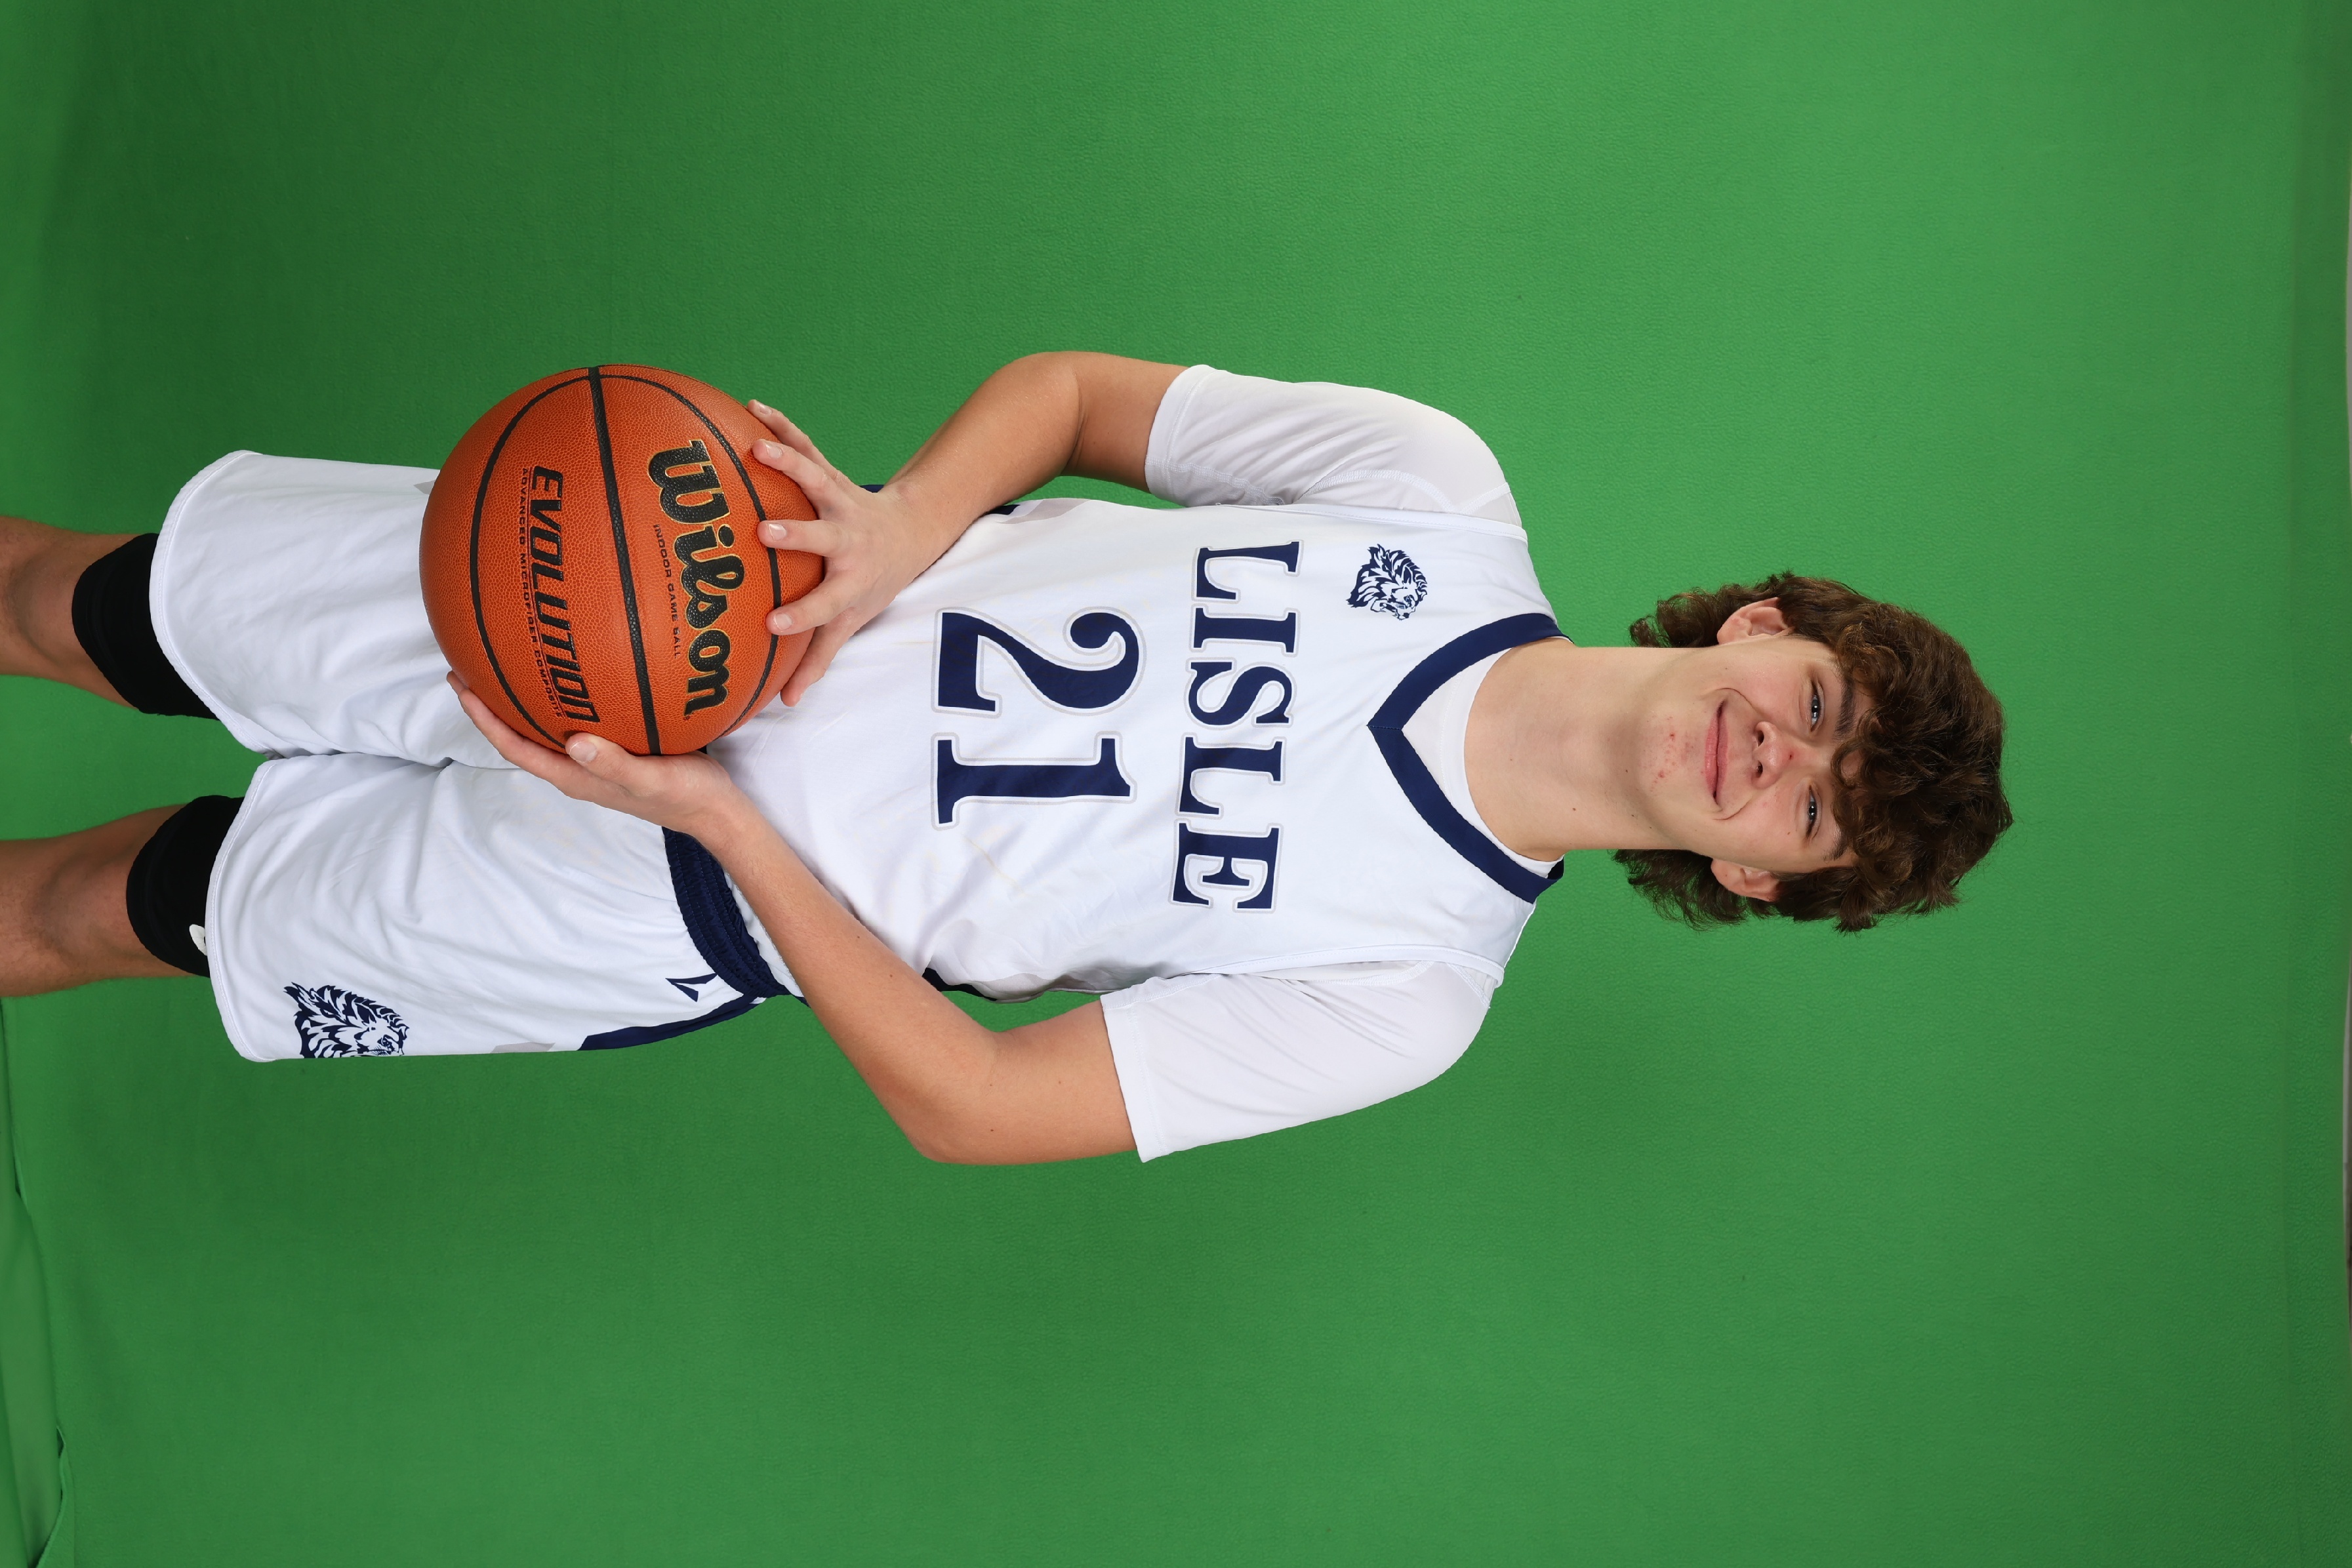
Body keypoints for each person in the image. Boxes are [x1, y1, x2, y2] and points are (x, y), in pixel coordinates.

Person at [0, 353, 2010, 1164]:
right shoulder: (1432, 494)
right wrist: (895, 528)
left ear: (1753, 878)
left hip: (654, 892)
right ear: (1766, 624)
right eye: (1819, 703)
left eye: (1810, 812)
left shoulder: (1412, 991)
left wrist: (725, 825)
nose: (1774, 752)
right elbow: (1071, 402)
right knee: (81, 606)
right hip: (675, 584)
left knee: (118, 905)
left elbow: (972, 1101)